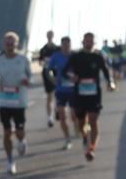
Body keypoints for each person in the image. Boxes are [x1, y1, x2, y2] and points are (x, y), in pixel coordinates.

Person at [62, 32, 116, 162]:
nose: (89, 43)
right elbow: (65, 71)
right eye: (87, 41)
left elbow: (106, 70)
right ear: (83, 42)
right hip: (79, 93)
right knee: (81, 123)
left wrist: (111, 82)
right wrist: (72, 77)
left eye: (91, 41)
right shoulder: (76, 56)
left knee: (93, 119)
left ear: (94, 42)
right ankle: (85, 136)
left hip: (94, 93)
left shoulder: (98, 56)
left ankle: (91, 149)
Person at [0, 31, 32, 175]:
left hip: (19, 102)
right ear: (4, 45)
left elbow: (31, 78)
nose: (10, 46)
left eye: (12, 43)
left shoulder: (23, 60)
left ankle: (22, 139)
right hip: (5, 102)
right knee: (7, 132)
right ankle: (10, 161)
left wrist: (27, 81)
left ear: (16, 44)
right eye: (7, 43)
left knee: (19, 132)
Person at [45, 36, 76, 150]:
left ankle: (80, 129)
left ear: (70, 45)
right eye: (64, 45)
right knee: (62, 116)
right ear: (61, 45)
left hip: (74, 90)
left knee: (74, 116)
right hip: (60, 90)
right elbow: (48, 70)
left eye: (68, 45)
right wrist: (52, 79)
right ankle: (67, 139)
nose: (66, 47)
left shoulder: (75, 56)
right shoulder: (56, 56)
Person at [37, 30, 59, 127]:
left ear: (53, 36)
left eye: (51, 35)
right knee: (49, 95)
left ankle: (58, 110)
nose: (49, 36)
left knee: (58, 94)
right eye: (48, 35)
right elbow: (40, 61)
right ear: (46, 36)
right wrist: (44, 63)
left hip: (57, 73)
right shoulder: (43, 49)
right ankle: (50, 118)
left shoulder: (57, 48)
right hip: (46, 73)